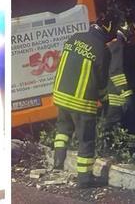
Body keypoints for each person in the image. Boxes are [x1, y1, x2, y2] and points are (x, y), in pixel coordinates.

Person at [51, 17, 113, 188]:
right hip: (81, 102)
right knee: (86, 139)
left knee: (63, 130)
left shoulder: (75, 38)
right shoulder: (102, 49)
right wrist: (105, 102)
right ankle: (85, 179)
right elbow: (102, 81)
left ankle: (57, 163)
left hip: (61, 96)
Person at [101, 21, 134, 146]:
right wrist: (125, 91)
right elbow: (116, 71)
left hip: (109, 89)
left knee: (113, 119)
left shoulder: (113, 44)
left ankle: (108, 144)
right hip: (115, 91)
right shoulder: (119, 45)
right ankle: (105, 146)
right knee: (113, 119)